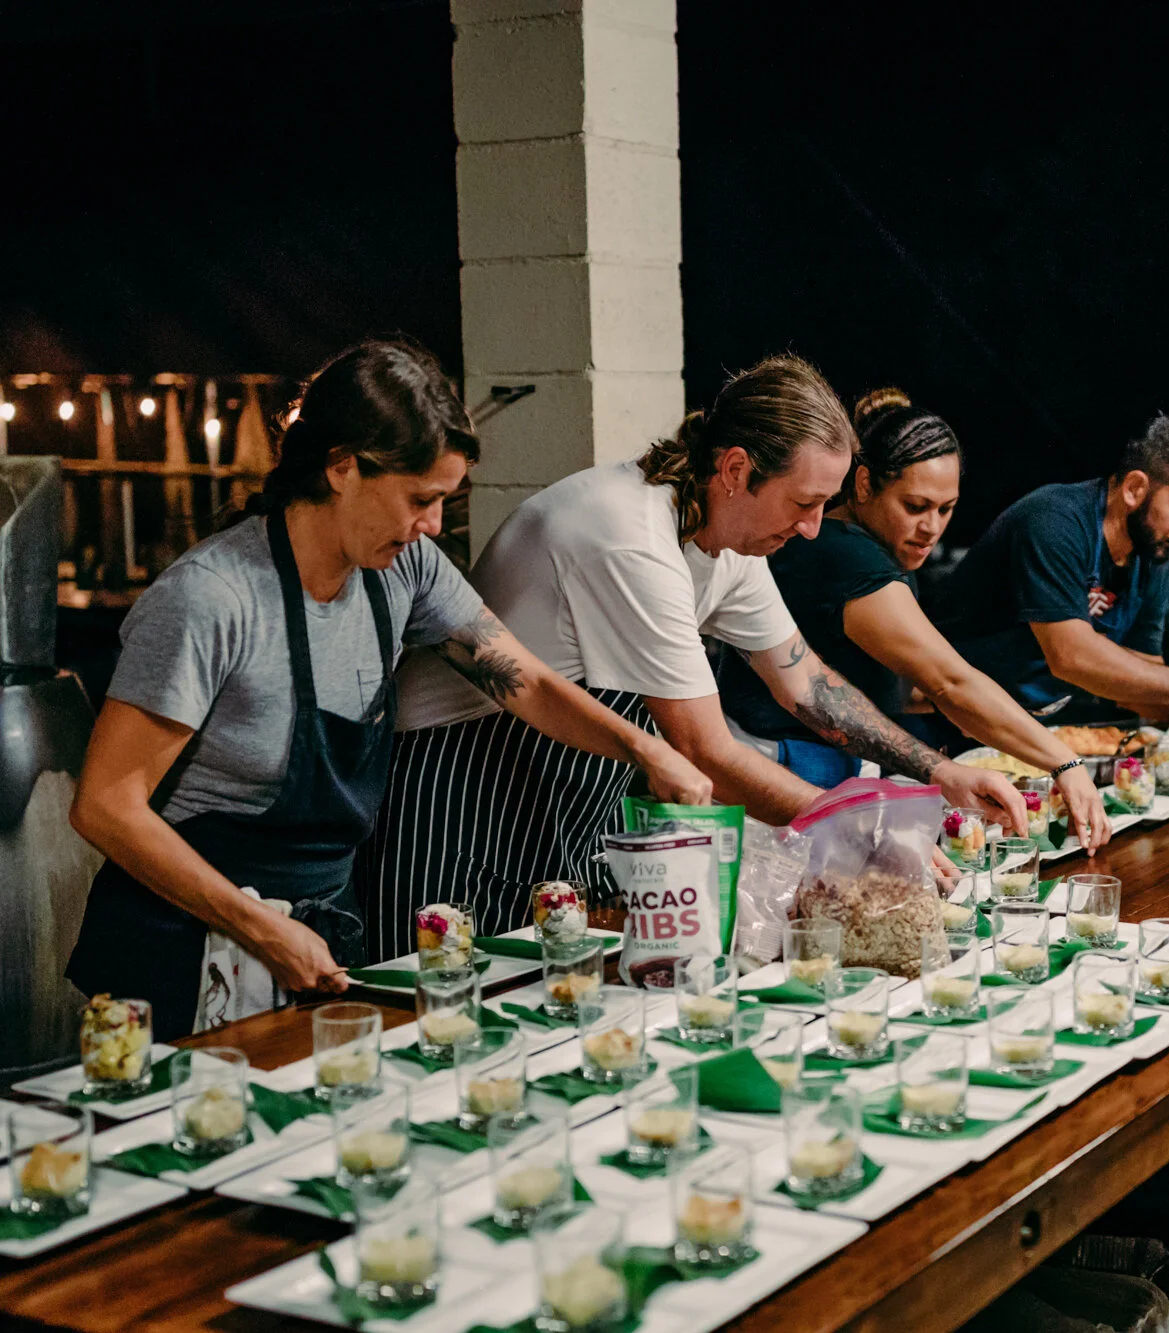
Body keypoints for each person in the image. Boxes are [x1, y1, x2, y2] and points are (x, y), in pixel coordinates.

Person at [65, 340, 709, 1039]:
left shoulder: (406, 570)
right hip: (181, 949)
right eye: (420, 500)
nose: (432, 525)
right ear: (342, 467)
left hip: (316, 934)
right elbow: (105, 807)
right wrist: (260, 926)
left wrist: (645, 749)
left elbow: (523, 681)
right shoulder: (211, 599)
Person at [360, 355, 1023, 957]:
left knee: (551, 1004)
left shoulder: (725, 537)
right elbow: (705, 749)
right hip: (460, 784)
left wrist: (938, 771)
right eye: (805, 503)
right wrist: (862, 832)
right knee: (436, 1002)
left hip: (561, 792)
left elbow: (807, 685)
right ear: (736, 470)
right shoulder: (630, 538)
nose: (814, 528)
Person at [718, 388, 1113, 851]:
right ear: (863, 484)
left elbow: (898, 687)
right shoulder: (844, 555)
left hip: (829, 772)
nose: (932, 527)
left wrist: (989, 714)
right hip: (777, 775)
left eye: (946, 509)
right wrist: (1065, 763)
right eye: (915, 506)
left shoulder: (880, 552)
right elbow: (949, 681)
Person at [933, 416, 1169, 733]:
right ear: (1134, 488)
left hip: (1024, 727)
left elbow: (1138, 689)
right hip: (947, 717)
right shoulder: (1055, 521)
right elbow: (1071, 656)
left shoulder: (1155, 555)